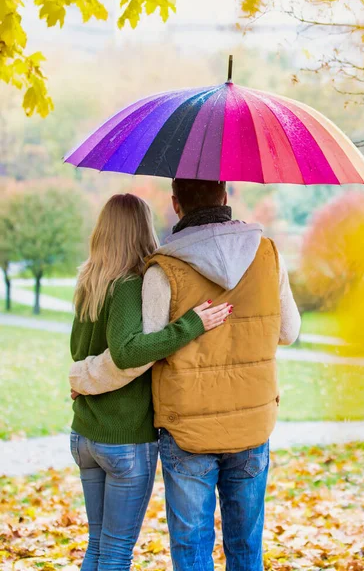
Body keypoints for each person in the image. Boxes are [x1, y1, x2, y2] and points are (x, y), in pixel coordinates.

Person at [71, 181, 301, 571]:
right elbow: (289, 331)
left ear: (176, 205)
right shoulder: (268, 254)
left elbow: (136, 356)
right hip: (251, 423)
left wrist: (84, 377)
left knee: (192, 547)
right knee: (246, 546)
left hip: (187, 429)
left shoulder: (164, 270)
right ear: (225, 197)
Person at [69, 193, 231, 571]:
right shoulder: (127, 285)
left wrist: (82, 379)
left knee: (97, 546)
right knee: (115, 552)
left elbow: (81, 350)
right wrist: (191, 324)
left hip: (85, 436)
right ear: (141, 229)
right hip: (122, 439)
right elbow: (128, 351)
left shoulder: (88, 281)